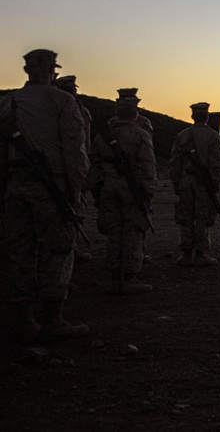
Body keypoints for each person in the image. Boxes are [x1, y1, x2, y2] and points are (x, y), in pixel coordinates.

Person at [0, 49, 89, 343]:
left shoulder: (8, 103)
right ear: (53, 71)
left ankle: (24, 320)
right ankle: (53, 318)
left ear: (27, 71)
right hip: (53, 190)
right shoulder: (63, 101)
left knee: (19, 252)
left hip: (15, 186)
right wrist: (75, 191)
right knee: (58, 250)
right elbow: (74, 150)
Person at [88, 95, 157, 293]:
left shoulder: (103, 136)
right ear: (136, 113)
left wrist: (96, 189)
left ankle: (114, 275)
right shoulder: (140, 134)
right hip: (131, 187)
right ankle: (130, 276)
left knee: (114, 231)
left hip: (108, 186)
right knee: (133, 230)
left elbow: (94, 163)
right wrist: (148, 191)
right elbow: (147, 166)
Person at [169, 102, 220, 268]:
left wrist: (176, 182)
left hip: (186, 180)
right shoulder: (213, 136)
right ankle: (201, 253)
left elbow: (175, 162)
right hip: (203, 183)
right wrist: (216, 182)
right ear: (207, 116)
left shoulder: (182, 136)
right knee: (202, 216)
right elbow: (217, 162)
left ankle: (186, 253)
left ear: (192, 116)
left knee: (186, 216)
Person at [56, 75, 93, 262]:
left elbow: (86, 140)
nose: (73, 91)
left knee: (75, 208)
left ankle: (73, 247)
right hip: (63, 167)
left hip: (75, 164)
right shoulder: (64, 109)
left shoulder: (81, 110)